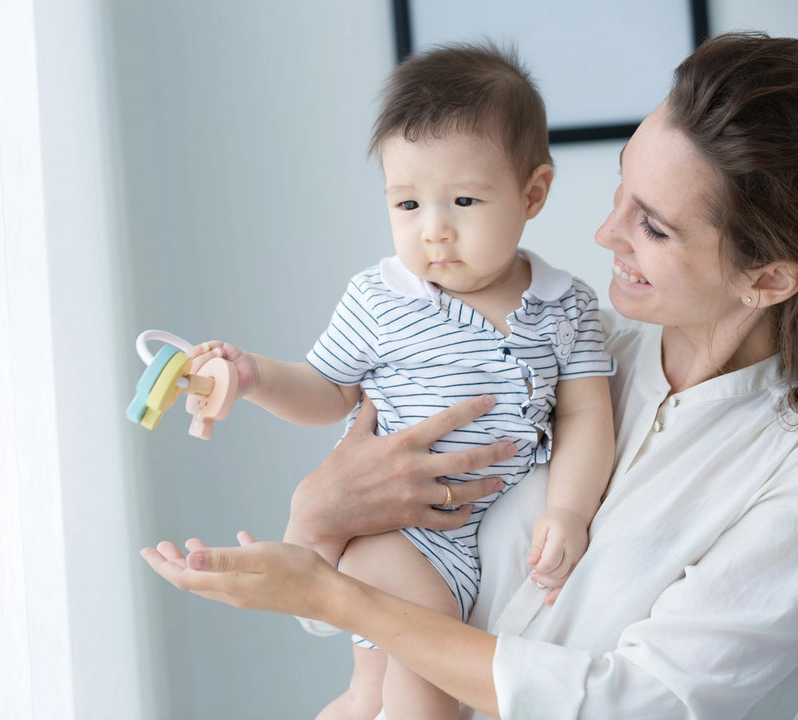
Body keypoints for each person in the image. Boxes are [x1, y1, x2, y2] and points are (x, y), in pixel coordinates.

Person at [142, 31, 798, 720]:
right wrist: (316, 518)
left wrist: (336, 597)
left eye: (653, 227)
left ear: (768, 279)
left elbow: (636, 705)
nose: (605, 233)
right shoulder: (574, 350)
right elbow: (346, 600)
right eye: (621, 186)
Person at [185, 42, 615, 718]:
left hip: (475, 541)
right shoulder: (382, 299)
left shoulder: (568, 306)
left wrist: (568, 512)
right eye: (408, 204)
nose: (434, 231)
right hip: (393, 532)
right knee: (425, 692)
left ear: (533, 193)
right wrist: (256, 376)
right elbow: (326, 390)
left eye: (464, 200)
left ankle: (356, 702)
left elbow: (588, 416)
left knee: (378, 693)